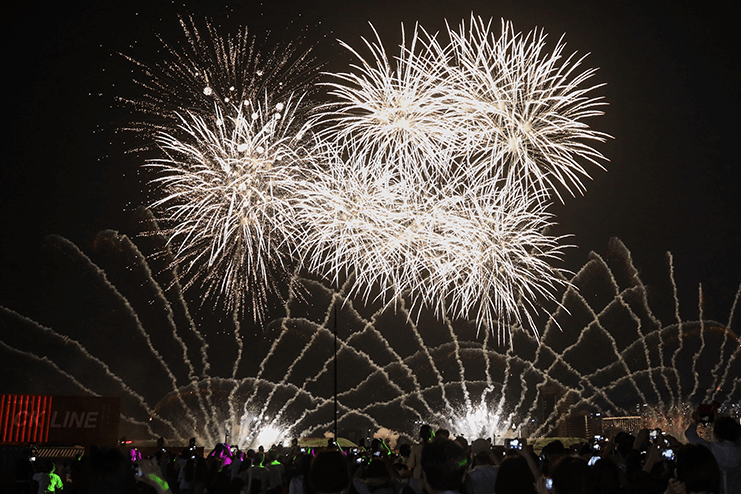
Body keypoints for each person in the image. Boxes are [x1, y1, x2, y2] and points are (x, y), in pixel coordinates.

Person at [685, 412, 741, 494]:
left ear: (716, 433)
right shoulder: (738, 451)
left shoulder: (710, 449)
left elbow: (690, 434)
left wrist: (697, 421)